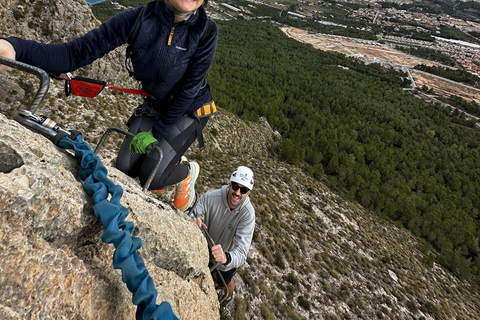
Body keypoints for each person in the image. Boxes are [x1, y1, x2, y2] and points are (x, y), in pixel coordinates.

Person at [0, 0, 218, 212]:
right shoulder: (140, 20)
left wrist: (158, 132)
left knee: (152, 176)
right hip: (155, 105)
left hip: (189, 110)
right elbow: (73, 54)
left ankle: (187, 172)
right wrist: (14, 47)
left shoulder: (206, 31)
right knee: (124, 167)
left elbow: (188, 90)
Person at [191, 166, 256, 305]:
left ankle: (228, 297)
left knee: (222, 281)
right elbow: (193, 210)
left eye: (243, 190)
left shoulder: (248, 215)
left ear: (248, 193)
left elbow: (242, 251)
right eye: (235, 186)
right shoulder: (212, 197)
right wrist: (193, 219)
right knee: (208, 278)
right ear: (229, 184)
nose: (237, 193)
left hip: (227, 259)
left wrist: (226, 257)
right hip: (208, 247)